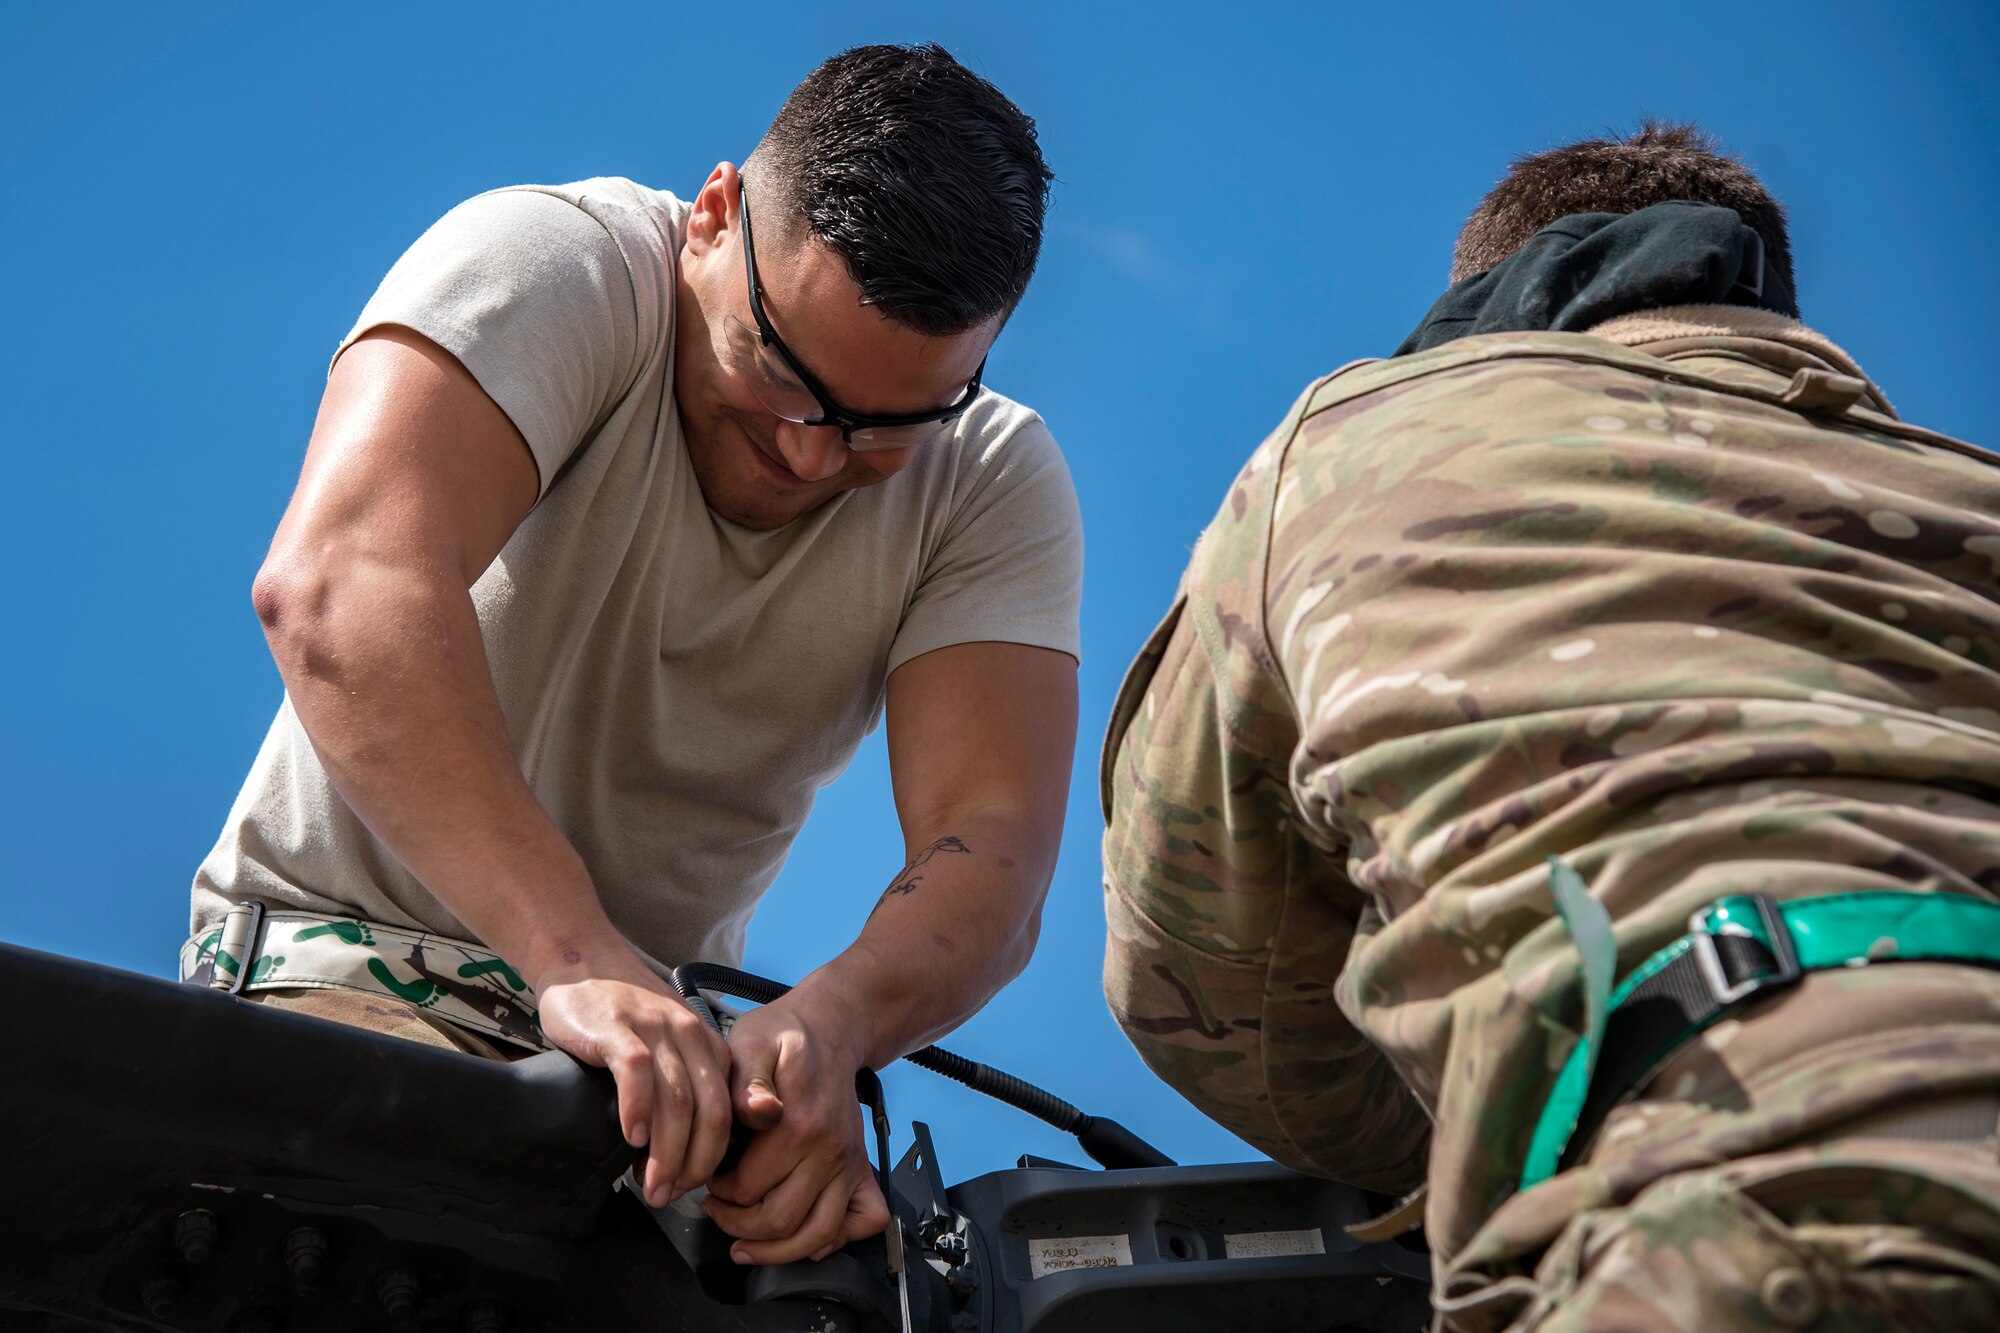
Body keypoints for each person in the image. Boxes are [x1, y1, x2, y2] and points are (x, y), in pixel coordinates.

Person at [185, 44, 1082, 1270]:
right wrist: (572, 956)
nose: (813, 454)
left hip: (654, 1072)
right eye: (780, 373)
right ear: (711, 221)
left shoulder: (988, 476)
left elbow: (993, 846)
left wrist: (827, 1027)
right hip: (351, 976)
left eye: (886, 425)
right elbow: (340, 590)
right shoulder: (556, 265)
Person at [1101, 123, 2000, 1330]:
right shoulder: (1963, 494)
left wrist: (1482, 1114)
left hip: (1751, 1197)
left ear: (1489, 301)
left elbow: (1207, 988)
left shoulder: (1352, 446)